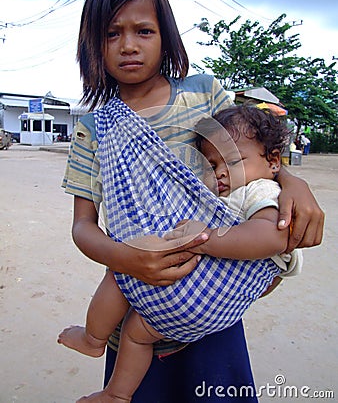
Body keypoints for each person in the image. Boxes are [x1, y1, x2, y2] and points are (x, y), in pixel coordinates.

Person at [60, 0, 324, 403]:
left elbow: (249, 157)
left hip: (213, 304)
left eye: (143, 30)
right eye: (111, 34)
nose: (128, 45)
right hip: (137, 306)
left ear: (165, 36)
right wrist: (129, 260)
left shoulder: (200, 96)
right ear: (92, 44)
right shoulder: (94, 129)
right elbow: (83, 227)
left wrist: (293, 182)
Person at [58, 104, 303, 402]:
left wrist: (206, 239)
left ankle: (93, 339)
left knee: (122, 275)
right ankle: (117, 394)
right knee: (136, 333)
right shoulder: (225, 193)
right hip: (208, 308)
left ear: (274, 161)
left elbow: (272, 237)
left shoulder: (260, 191)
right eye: (212, 165)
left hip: (201, 289)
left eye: (234, 161)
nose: (221, 172)